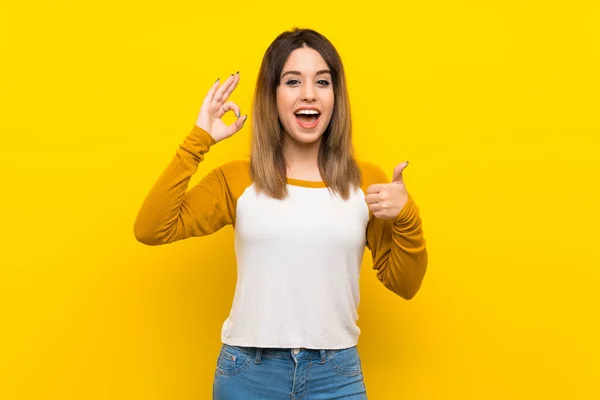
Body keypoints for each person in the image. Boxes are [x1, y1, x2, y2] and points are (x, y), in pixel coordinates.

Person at [134, 27, 428, 400]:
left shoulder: (364, 181)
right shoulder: (238, 180)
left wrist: (407, 216)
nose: (309, 93)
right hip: (248, 375)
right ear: (272, 96)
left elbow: (405, 285)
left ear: (335, 96)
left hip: (335, 375)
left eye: (322, 81)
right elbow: (152, 228)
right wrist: (198, 141)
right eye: (292, 81)